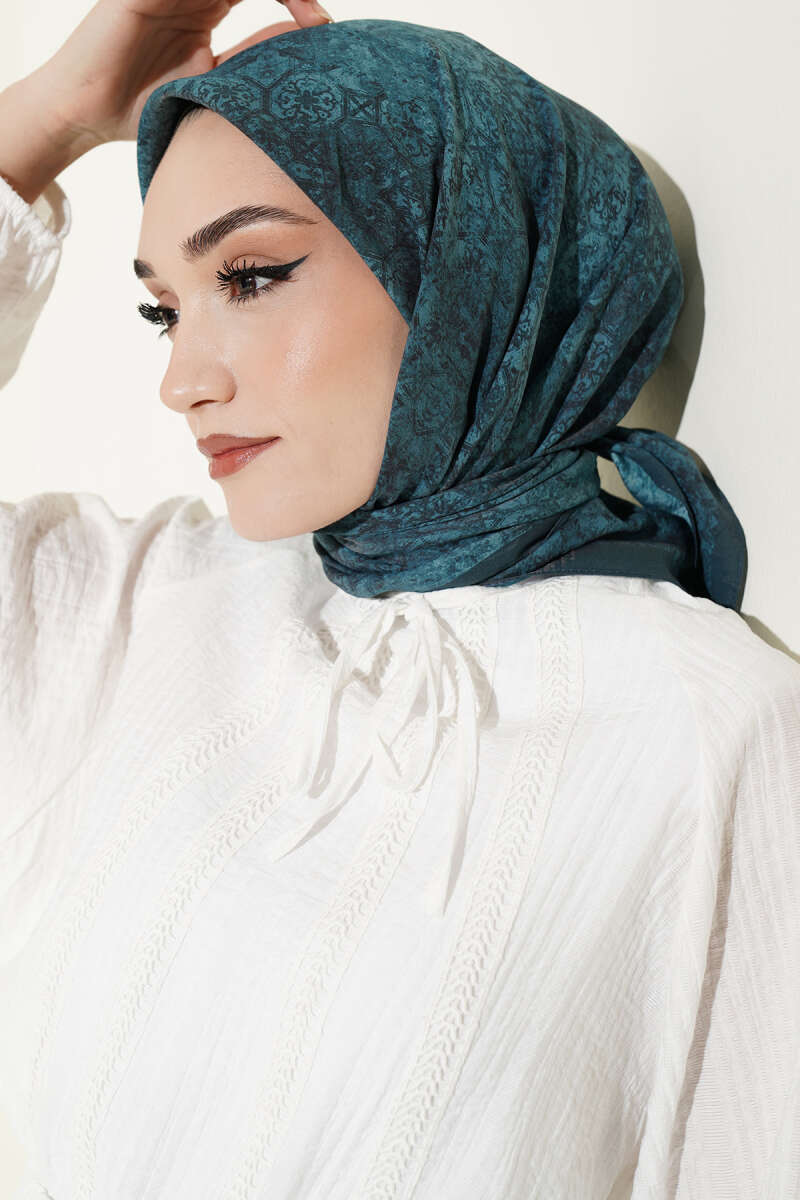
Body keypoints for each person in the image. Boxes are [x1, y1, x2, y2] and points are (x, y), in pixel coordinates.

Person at [1, 3, 799, 1198]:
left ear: (468, 267)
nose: (182, 379)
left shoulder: (708, 729)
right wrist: (47, 120)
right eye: (164, 309)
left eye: (251, 276)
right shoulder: (140, 606)